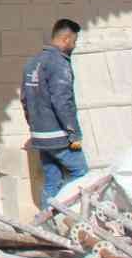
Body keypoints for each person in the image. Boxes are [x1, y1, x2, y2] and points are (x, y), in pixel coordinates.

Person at [21, 18, 86, 208]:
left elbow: (25, 99)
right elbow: (62, 101)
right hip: (58, 135)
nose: (74, 46)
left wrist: (34, 126)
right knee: (81, 174)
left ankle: (46, 222)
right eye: (74, 41)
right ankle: (71, 217)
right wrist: (73, 133)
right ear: (66, 39)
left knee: (52, 180)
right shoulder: (59, 63)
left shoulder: (33, 63)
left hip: (40, 136)